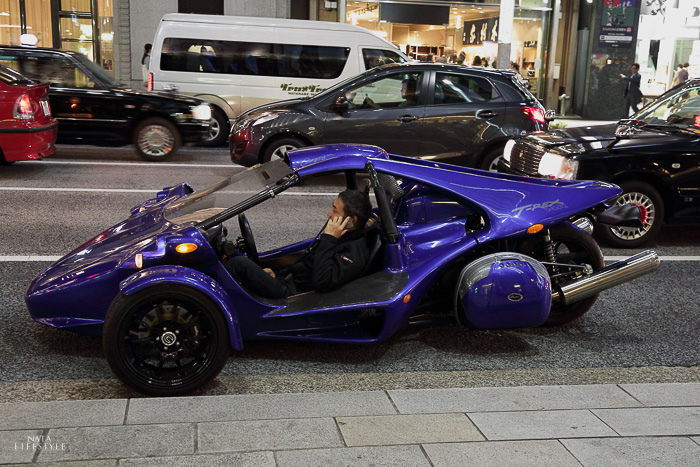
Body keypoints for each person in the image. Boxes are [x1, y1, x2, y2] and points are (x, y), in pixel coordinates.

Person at [226, 189, 373, 299]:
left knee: (238, 264)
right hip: (287, 280)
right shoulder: (343, 235)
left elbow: (322, 282)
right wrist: (276, 274)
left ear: (351, 220)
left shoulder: (354, 251)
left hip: (294, 295)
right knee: (239, 261)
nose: (329, 213)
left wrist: (329, 238)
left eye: (334, 210)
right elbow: (307, 263)